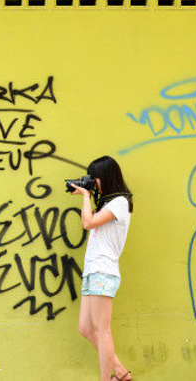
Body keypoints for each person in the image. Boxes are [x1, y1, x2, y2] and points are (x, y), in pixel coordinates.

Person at [70, 155, 134, 381]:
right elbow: (88, 221)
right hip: (93, 270)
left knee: (102, 330)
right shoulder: (107, 204)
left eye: (94, 178)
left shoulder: (120, 202)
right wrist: (88, 196)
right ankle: (122, 373)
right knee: (85, 329)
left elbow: (87, 223)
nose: (93, 182)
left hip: (103, 271)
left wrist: (86, 196)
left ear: (105, 177)